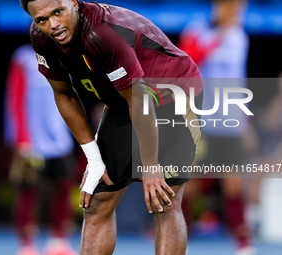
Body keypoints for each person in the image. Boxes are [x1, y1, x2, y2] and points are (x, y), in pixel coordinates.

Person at [19, 0, 203, 254]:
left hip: (173, 94)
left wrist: (149, 165)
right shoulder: (41, 37)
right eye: (41, 20)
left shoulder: (102, 34)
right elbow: (64, 95)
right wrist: (93, 158)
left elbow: (139, 101)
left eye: (58, 12)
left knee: (164, 200)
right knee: (96, 201)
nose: (53, 25)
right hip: (125, 100)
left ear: (73, 2)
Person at [178, 0, 256, 254]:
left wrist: (244, 122)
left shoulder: (240, 37)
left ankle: (243, 244)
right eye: (232, 6)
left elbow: (238, 83)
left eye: (239, 7)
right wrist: (218, 34)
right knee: (192, 185)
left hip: (229, 125)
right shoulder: (198, 30)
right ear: (219, 5)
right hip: (200, 121)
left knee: (233, 183)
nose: (236, 12)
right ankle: (179, 238)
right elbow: (185, 61)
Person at [5, 44, 79, 255]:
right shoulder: (23, 58)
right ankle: (27, 244)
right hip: (31, 140)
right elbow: (15, 100)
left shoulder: (64, 56)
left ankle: (58, 240)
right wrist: (21, 140)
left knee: (64, 188)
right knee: (28, 190)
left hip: (60, 139)